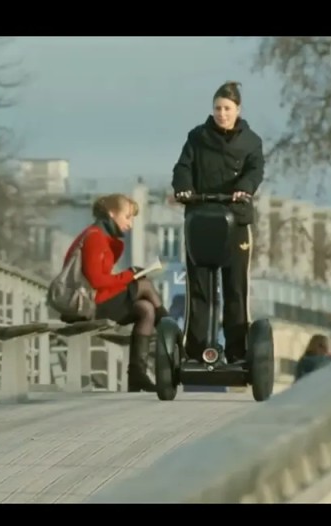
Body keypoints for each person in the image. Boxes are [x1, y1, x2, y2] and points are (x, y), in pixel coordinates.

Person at [171, 80, 265, 364]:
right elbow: (183, 167)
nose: (221, 113)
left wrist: (244, 188)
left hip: (236, 221)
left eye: (227, 108)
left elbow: (255, 170)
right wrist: (183, 188)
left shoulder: (251, 141)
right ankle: (195, 351)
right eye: (217, 108)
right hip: (201, 219)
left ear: (238, 109)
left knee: (235, 288)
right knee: (200, 289)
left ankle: (237, 352)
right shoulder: (197, 137)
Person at [61, 194, 166, 392]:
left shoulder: (104, 238)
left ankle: (137, 374)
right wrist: (129, 276)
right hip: (86, 305)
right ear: (111, 213)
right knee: (145, 286)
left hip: (95, 300)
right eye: (127, 217)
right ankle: (172, 335)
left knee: (146, 309)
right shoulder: (94, 237)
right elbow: (97, 281)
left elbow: (103, 280)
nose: (130, 224)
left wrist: (128, 273)